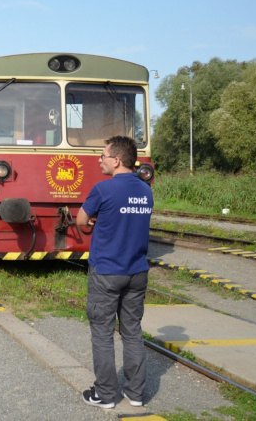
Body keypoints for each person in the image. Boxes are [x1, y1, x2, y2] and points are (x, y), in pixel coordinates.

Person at [76, 136, 153, 410]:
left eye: (103, 155)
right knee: (132, 331)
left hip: (107, 271)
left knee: (103, 333)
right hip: (137, 271)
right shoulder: (146, 191)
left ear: (116, 160)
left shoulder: (103, 189)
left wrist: (95, 218)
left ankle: (106, 395)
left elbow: (81, 220)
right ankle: (136, 394)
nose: (100, 159)